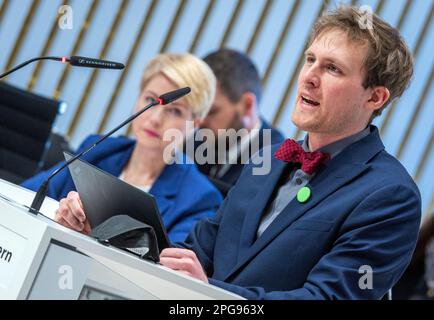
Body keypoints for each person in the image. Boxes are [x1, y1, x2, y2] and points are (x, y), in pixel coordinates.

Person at [159, 6, 421, 299]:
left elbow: (327, 298)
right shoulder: (267, 159)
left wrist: (208, 292)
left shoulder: (391, 195)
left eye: (332, 68)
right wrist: (128, 244)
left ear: (375, 96)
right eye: (310, 59)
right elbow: (197, 251)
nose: (309, 76)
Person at [22, 53, 222, 243]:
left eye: (175, 111)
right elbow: (25, 195)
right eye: (151, 100)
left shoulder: (200, 198)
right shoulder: (100, 149)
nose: (154, 118)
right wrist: (62, 211)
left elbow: (167, 267)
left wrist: (100, 235)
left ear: (195, 124)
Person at [188, 49, 284, 196]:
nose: (199, 121)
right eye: (197, 110)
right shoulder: (193, 143)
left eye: (211, 111)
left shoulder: (276, 165)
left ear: (247, 105)